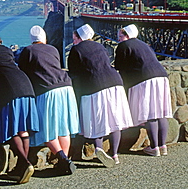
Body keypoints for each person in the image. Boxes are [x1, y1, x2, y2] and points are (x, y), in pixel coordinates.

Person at [0, 28, 39, 184]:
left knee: (11, 129)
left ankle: (24, 164)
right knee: (22, 129)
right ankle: (20, 166)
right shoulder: (5, 50)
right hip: (25, 86)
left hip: (7, 91)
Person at [68, 24, 133, 166]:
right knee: (115, 121)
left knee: (96, 119)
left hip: (94, 85)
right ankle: (114, 154)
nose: (73, 42)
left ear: (80, 38)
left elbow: (73, 72)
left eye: (74, 39)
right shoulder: (100, 47)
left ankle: (99, 149)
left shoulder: (76, 49)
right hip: (115, 82)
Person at [18, 25, 79, 175]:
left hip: (47, 90)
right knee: (63, 128)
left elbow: (23, 71)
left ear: (32, 39)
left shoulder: (28, 51)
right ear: (44, 38)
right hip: (66, 88)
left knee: (47, 129)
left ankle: (63, 158)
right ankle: (63, 163)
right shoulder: (53, 49)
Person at [114, 24, 172, 157]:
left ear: (127, 35)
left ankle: (154, 147)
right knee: (160, 112)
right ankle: (163, 146)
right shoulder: (144, 44)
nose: (119, 39)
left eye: (120, 36)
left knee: (150, 113)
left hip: (143, 79)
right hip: (161, 77)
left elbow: (118, 65)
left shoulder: (124, 46)